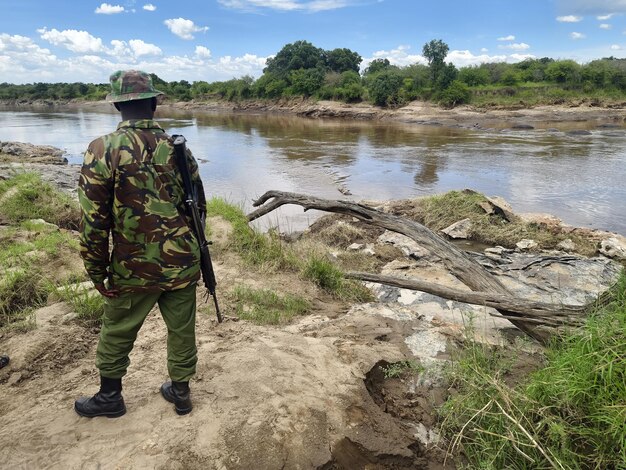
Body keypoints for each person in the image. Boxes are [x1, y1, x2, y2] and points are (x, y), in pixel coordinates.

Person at [75, 70, 206, 418]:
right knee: (182, 328)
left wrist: (96, 271)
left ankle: (110, 396)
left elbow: (93, 221)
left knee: (118, 329)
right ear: (154, 104)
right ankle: (181, 393)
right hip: (181, 260)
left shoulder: (101, 149)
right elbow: (199, 207)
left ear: (117, 105)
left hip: (132, 265)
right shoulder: (179, 148)